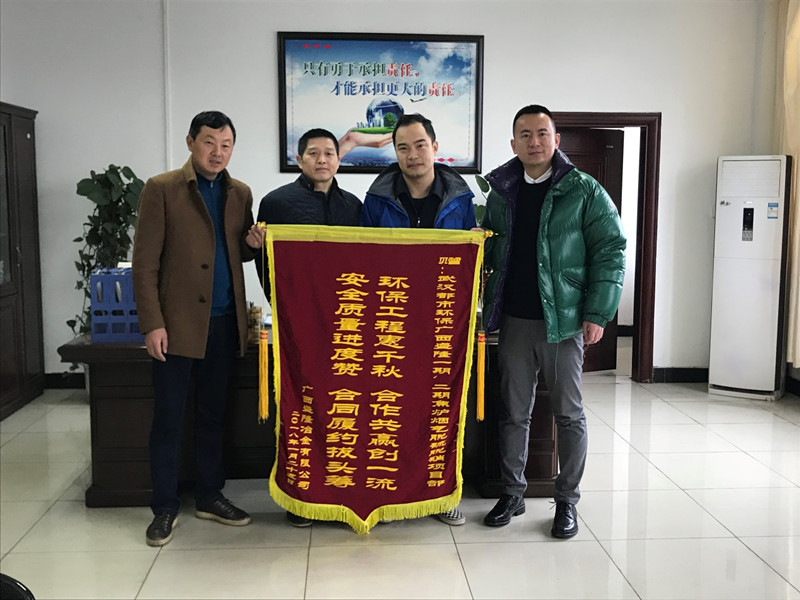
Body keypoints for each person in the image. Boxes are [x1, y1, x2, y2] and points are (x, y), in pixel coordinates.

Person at [479, 105, 626, 538]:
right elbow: (490, 252)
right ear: (513, 144)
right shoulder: (501, 192)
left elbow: (611, 250)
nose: (534, 142)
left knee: (568, 414)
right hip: (514, 321)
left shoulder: (583, 189)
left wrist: (598, 312)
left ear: (556, 140)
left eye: (542, 133)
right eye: (525, 135)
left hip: (563, 323)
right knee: (514, 413)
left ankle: (567, 500)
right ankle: (512, 493)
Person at [132, 111, 266, 547]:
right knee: (169, 419)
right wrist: (152, 323)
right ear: (191, 143)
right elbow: (144, 264)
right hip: (177, 326)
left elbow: (234, 251)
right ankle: (164, 507)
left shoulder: (239, 192)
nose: (218, 152)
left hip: (225, 323)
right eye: (209, 142)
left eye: (226, 145)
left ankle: (210, 495)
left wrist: (251, 245)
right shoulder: (162, 188)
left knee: (213, 416)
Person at [361, 113, 476, 526]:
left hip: (441, 322)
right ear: (394, 153)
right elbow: (363, 258)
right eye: (403, 147)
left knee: (439, 408)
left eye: (420, 145)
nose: (413, 155)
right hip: (391, 320)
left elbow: (470, 262)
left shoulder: (460, 199)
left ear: (435, 147)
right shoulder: (376, 200)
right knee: (390, 408)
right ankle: (388, 490)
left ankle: (440, 493)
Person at [256, 127, 361, 527]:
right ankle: (300, 496)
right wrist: (284, 308)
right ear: (299, 160)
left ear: (339, 159)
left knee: (344, 405)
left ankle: (342, 488)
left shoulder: (354, 206)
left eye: (329, 153)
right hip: (299, 325)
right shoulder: (277, 202)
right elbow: (266, 263)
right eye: (313, 153)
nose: (322, 160)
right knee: (300, 404)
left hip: (346, 324)